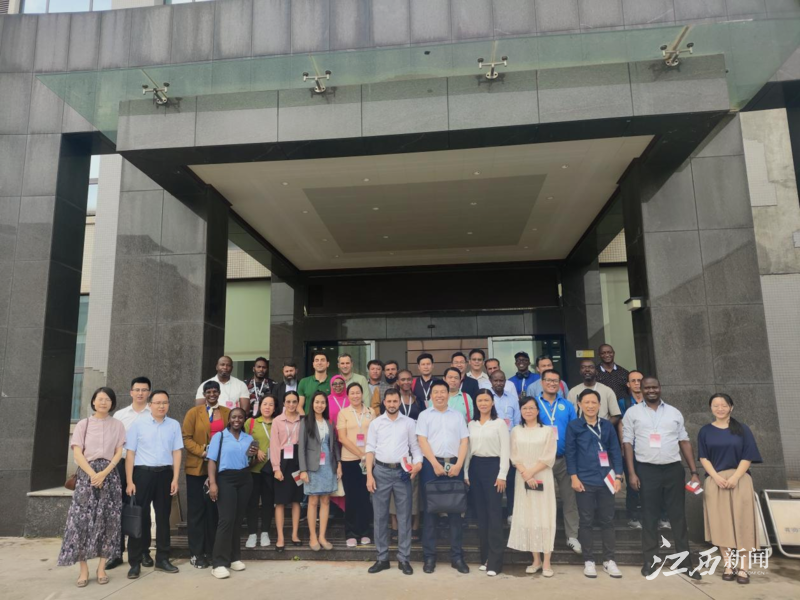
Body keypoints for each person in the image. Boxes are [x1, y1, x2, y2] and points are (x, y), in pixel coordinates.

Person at [622, 377, 702, 580]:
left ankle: (685, 563)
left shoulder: (674, 412)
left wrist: (694, 471)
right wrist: (631, 473)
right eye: (647, 387)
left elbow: (684, 441)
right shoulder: (632, 412)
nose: (651, 390)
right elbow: (627, 443)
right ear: (641, 389)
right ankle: (650, 561)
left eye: (654, 387)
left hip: (673, 470)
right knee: (649, 517)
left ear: (660, 388)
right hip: (646, 470)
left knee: (678, 517)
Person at [58, 387, 127, 587]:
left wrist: (104, 473)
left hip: (110, 476)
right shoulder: (83, 424)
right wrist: (93, 474)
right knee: (81, 522)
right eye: (100, 399)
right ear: (93, 402)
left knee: (109, 521)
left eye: (107, 399)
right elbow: (77, 453)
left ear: (112, 403)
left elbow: (119, 452)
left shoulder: (118, 425)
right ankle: (83, 570)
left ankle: (101, 568)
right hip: (86, 476)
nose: (103, 402)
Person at [698, 393, 763, 584]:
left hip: (740, 480)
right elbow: (703, 457)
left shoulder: (742, 429)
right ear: (711, 408)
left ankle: (743, 568)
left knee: (743, 523)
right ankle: (728, 565)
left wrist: (735, 477)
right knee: (720, 524)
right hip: (715, 481)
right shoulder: (705, 431)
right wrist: (716, 477)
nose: (720, 408)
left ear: (731, 407)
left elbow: (748, 456)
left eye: (724, 405)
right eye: (716, 405)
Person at [565, 389, 624, 579]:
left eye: (594, 402)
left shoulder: (607, 426)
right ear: (579, 405)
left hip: (606, 479)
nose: (590, 406)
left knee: (608, 521)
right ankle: (589, 560)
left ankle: (609, 560)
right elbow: (570, 453)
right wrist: (573, 477)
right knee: (586, 521)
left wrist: (618, 476)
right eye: (586, 402)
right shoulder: (574, 426)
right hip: (584, 480)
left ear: (599, 405)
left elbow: (615, 451)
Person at [125, 390, 183, 579]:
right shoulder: (138, 425)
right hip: (142, 474)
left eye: (165, 402)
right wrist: (130, 480)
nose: (161, 406)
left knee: (163, 518)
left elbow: (177, 452)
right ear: (150, 405)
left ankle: (162, 559)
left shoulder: (174, 425)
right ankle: (135, 562)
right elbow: (130, 453)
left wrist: (175, 478)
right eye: (157, 402)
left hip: (165, 474)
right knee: (139, 518)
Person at [366, 388, 423, 575]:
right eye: (389, 401)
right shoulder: (376, 423)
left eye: (395, 401)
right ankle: (382, 558)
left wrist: (417, 465)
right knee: (380, 517)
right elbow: (370, 449)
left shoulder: (409, 423)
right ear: (384, 402)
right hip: (380, 472)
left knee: (404, 517)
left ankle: (404, 559)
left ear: (400, 402)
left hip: (402, 473)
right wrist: (369, 475)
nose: (392, 404)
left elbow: (415, 447)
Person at [416, 380, 470, 574]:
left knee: (456, 512)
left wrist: (459, 465)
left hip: (454, 464)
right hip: (431, 466)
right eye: (436, 392)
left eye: (443, 392)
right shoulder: (424, 415)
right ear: (431, 396)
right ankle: (429, 557)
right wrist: (434, 464)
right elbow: (422, 441)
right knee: (430, 513)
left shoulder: (457, 416)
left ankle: (457, 557)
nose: (439, 395)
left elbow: (464, 441)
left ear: (448, 394)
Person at [182, 381, 231, 569]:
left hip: (219, 469)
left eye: (215, 391)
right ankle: (196, 553)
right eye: (208, 392)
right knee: (196, 512)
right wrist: (203, 452)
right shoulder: (193, 413)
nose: (212, 394)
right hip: (197, 468)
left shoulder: (226, 412)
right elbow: (186, 438)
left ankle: (212, 551)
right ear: (204, 394)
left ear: (219, 393)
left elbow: (231, 435)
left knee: (214, 512)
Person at [508, 396, 557, 577]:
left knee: (545, 516)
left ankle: (547, 561)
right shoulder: (516, 431)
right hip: (523, 478)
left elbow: (549, 456)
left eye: (531, 408)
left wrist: (531, 472)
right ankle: (536, 560)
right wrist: (525, 473)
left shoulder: (547, 431)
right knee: (529, 516)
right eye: (524, 408)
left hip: (542, 476)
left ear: (537, 410)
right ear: (520, 411)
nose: (528, 411)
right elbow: (514, 456)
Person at [207, 407, 258, 579]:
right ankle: (218, 563)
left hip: (244, 478)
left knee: (237, 520)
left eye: (240, 417)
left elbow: (249, 463)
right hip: (225, 479)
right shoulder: (220, 436)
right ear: (229, 419)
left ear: (244, 420)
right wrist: (213, 483)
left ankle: (234, 557)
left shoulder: (248, 438)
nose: (237, 420)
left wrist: (252, 456)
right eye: (234, 417)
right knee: (226, 520)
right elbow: (211, 461)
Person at [108, 377, 152, 570]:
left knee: (142, 508)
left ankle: (144, 552)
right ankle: (117, 552)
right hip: (121, 463)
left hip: (143, 465)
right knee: (118, 507)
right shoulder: (120, 415)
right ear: (131, 392)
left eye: (144, 390)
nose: (140, 393)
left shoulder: (154, 413)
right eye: (137, 390)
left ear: (149, 393)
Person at [535, 369, 581, 554]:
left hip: (564, 459)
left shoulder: (567, 405)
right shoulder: (534, 404)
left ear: (560, 384)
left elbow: (574, 430)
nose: (552, 383)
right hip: (541, 461)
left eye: (555, 381)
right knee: (542, 500)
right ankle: (542, 536)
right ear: (542, 382)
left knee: (570, 499)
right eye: (548, 380)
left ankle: (572, 536)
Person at [465, 389, 510, 576]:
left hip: (494, 468)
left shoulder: (499, 423)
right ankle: (485, 557)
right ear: (476, 404)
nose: (483, 403)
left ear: (492, 403)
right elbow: (468, 450)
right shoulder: (471, 424)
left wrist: (502, 474)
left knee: (494, 514)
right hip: (475, 468)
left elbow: (506, 450)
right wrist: (465, 472)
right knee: (481, 516)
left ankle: (495, 561)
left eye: (486, 400)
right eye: (480, 400)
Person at [298, 391, 342, 551]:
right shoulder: (305, 422)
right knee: (313, 501)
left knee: (325, 500)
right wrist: (303, 470)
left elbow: (334, 444)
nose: (320, 405)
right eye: (317, 402)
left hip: (328, 465)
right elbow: (301, 447)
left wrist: (339, 463)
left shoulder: (329, 422)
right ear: (312, 403)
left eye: (323, 402)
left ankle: (322, 536)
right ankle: (312, 536)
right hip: (312, 467)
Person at [337, 383, 375, 546]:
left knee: (365, 497)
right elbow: (342, 438)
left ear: (362, 394)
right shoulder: (343, 413)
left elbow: (375, 434)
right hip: (350, 460)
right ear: (348, 395)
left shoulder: (371, 412)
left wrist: (367, 456)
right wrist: (361, 455)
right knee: (352, 497)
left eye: (358, 392)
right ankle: (351, 533)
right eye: (352, 393)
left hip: (369, 460)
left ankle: (365, 531)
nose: (355, 396)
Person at [389, 370, 425, 538]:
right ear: (397, 381)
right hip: (396, 446)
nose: (406, 382)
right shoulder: (392, 400)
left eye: (409, 379)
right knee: (395, 486)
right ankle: (395, 525)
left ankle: (415, 525)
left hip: (415, 446)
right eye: (402, 379)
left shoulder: (418, 400)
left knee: (414, 486)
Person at [270, 391, 303, 551]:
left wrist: (304, 468)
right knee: (280, 501)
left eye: (294, 401)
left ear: (298, 403)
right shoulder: (277, 420)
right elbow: (274, 445)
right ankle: (280, 537)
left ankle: (295, 534)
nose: (291, 405)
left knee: (296, 500)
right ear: (283, 403)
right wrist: (276, 468)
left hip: (298, 462)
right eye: (288, 401)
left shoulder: (303, 420)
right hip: (282, 461)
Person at [244, 395, 277, 549]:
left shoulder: (278, 422)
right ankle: (252, 533)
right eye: (265, 404)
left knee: (268, 502)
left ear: (275, 407)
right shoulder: (250, 422)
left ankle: (265, 532)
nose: (267, 407)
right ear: (259, 406)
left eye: (271, 404)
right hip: (254, 469)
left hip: (271, 470)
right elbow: (243, 442)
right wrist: (256, 451)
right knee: (252, 502)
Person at [488, 370, 521, 520]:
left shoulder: (513, 399)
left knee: (511, 481)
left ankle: (511, 513)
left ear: (505, 381)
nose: (499, 383)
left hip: (510, 446)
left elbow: (517, 422)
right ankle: (494, 515)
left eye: (501, 380)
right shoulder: (487, 398)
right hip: (492, 446)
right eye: (495, 380)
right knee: (494, 481)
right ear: (490, 381)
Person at [568, 359, 621, 425]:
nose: (587, 369)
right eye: (583, 367)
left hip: (601, 429)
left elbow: (616, 415)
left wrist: (604, 427)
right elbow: (568, 416)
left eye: (591, 367)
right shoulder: (573, 392)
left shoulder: (607, 391)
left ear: (596, 371)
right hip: (579, 429)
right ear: (580, 371)